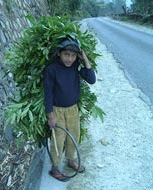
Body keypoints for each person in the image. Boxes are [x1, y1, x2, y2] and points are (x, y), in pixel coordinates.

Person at [43, 37, 96, 181]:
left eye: (73, 55)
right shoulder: (52, 69)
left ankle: (71, 160)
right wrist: (50, 115)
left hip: (73, 109)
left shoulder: (76, 66)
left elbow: (91, 79)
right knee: (58, 139)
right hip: (57, 110)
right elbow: (48, 93)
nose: (70, 59)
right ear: (59, 53)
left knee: (74, 134)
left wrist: (84, 59)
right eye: (66, 54)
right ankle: (55, 168)